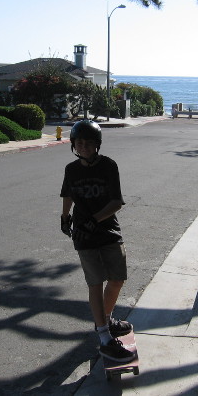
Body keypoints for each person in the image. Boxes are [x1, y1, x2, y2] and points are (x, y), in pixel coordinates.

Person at [59, 120, 135, 362]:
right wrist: (64, 216)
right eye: (79, 143)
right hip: (83, 233)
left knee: (117, 279)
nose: (83, 147)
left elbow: (116, 202)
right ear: (73, 145)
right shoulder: (71, 169)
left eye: (88, 143)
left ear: (97, 145)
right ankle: (104, 336)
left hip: (108, 229)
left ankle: (107, 318)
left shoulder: (108, 166)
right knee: (95, 283)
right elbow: (68, 193)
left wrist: (95, 219)